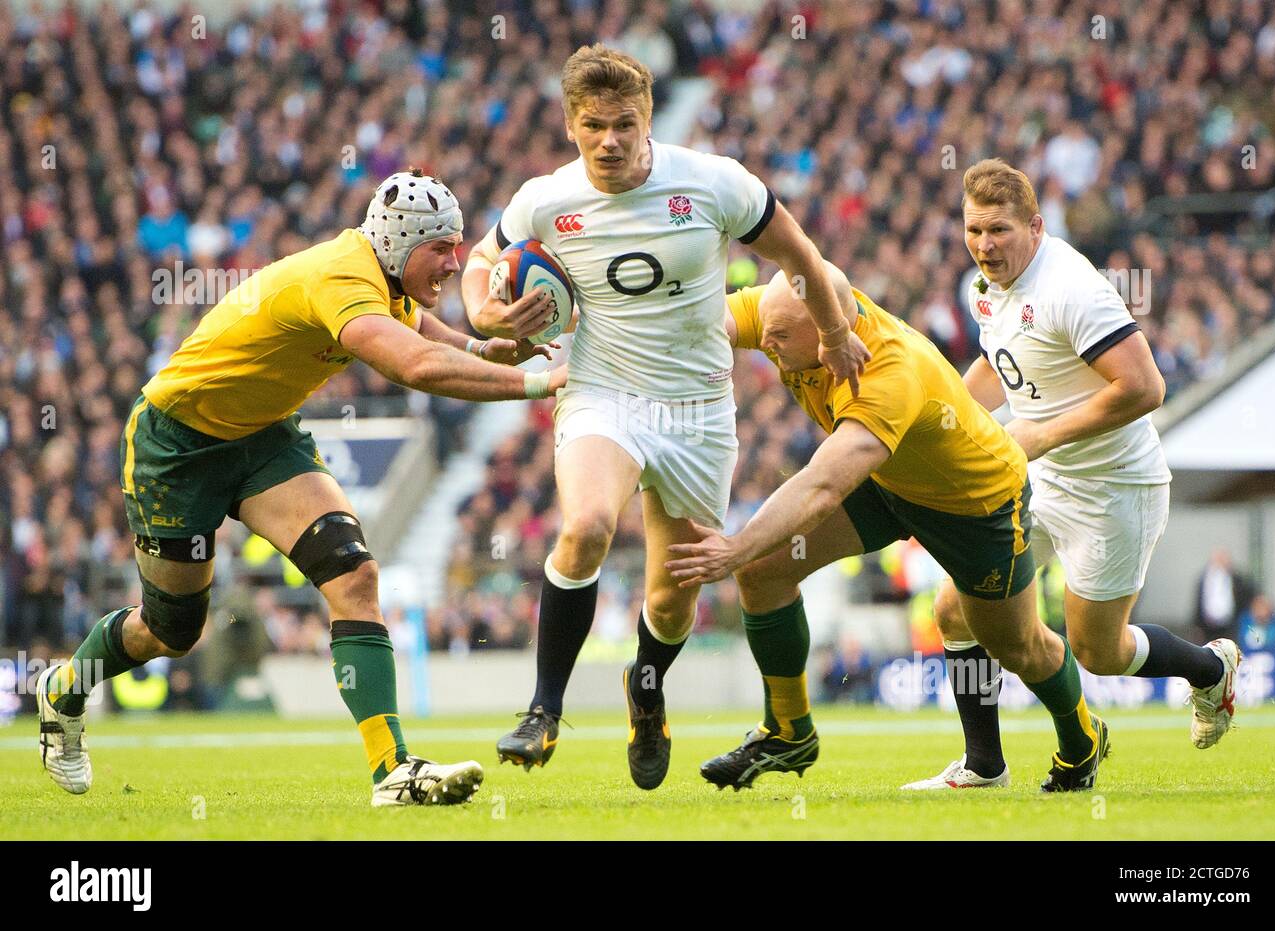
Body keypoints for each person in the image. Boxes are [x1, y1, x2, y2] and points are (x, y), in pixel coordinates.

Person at [37, 170, 566, 807]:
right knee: (171, 631)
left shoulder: (385, 277)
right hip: (176, 445)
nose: (455, 263)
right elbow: (415, 364)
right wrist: (539, 384)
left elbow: (425, 333)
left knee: (355, 575)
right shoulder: (343, 277)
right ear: (400, 244)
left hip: (261, 438)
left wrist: (488, 349)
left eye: (457, 247)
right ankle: (65, 688)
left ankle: (392, 771)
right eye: (442, 248)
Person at [461, 45, 869, 790]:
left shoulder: (713, 183)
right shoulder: (544, 201)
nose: (609, 140)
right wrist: (484, 309)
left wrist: (838, 332)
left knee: (672, 595)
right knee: (584, 526)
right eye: (593, 125)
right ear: (570, 124)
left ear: (647, 120)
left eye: (623, 124)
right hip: (602, 389)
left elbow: (799, 253)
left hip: (698, 408)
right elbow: (478, 264)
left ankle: (646, 689)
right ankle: (543, 708)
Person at [666, 263, 1109, 792]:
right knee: (764, 570)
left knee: (1016, 647)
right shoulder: (783, 307)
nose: (765, 343)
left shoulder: (890, 372)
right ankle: (788, 731)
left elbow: (821, 487)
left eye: (780, 336)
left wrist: (734, 546)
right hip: (889, 477)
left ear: (830, 328)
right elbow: (686, 319)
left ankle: (1082, 738)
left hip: (975, 503)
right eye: (765, 329)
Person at [909, 160, 1239, 791]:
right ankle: (984, 767)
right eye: (974, 230)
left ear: (1035, 226)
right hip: (1039, 475)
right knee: (955, 608)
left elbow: (1145, 387)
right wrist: (940, 419)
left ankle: (1208, 670)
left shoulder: (1072, 288)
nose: (984, 244)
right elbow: (999, 365)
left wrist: (1039, 434)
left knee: (1099, 651)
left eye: (999, 230)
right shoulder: (984, 287)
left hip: (1115, 484)